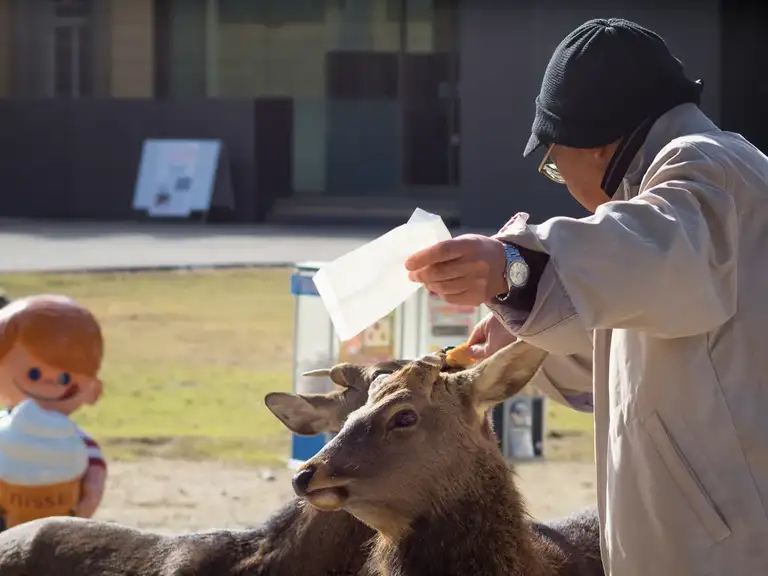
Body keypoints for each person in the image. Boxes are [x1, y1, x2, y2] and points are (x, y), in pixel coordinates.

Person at [405, 17, 768, 576]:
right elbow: (633, 355)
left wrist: (513, 268)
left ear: (598, 144)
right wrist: (524, 333)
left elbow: (655, 249)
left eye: (553, 163)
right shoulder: (672, 214)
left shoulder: (710, 166)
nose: (560, 180)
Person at [0, 294, 107, 519]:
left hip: (58, 533)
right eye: (34, 374)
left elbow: (93, 483)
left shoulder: (79, 443)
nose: (47, 383)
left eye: (64, 378)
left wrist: (84, 508)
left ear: (93, 390)